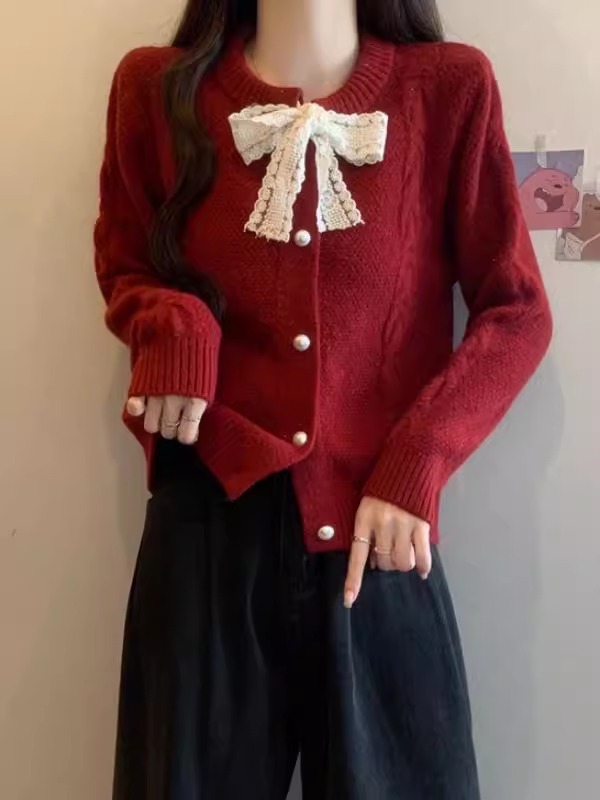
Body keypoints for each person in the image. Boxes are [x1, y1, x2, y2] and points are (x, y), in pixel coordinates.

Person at [94, 1, 553, 797]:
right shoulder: (155, 89)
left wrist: (419, 459)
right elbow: (126, 262)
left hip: (381, 542)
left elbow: (517, 312)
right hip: (207, 538)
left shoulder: (448, 89)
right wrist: (174, 324)